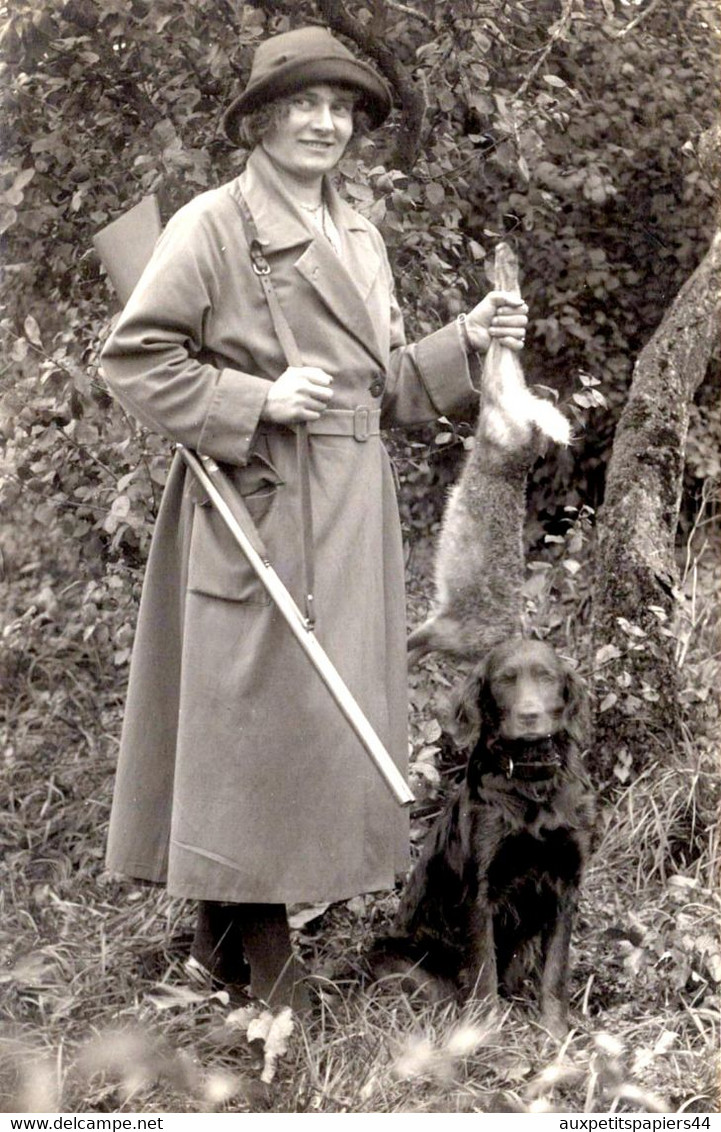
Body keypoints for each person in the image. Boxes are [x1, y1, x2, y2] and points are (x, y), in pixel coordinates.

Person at [101, 25, 528, 1012]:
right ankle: (266, 961)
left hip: (350, 509)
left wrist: (462, 340)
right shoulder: (213, 225)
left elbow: (379, 391)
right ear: (259, 120)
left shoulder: (360, 231)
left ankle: (214, 948)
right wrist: (251, 400)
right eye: (305, 105)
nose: (327, 123)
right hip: (257, 501)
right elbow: (134, 358)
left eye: (341, 109)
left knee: (320, 722)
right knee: (256, 720)